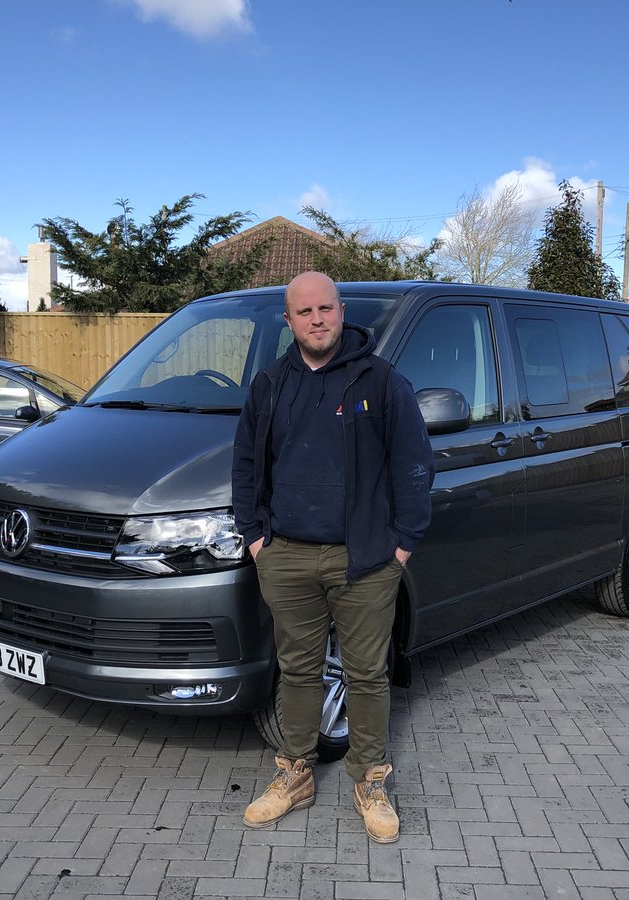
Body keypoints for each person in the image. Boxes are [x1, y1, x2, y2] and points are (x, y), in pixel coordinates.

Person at [231, 271, 434, 843]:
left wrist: (400, 545)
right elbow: (246, 466)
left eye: (326, 308)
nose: (317, 319)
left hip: (365, 561)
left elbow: (415, 467)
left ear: (341, 312)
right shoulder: (270, 384)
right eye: (304, 312)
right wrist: (256, 538)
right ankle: (295, 773)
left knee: (367, 673)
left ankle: (371, 781)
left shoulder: (382, 380)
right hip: (287, 556)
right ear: (289, 320)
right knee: (297, 670)